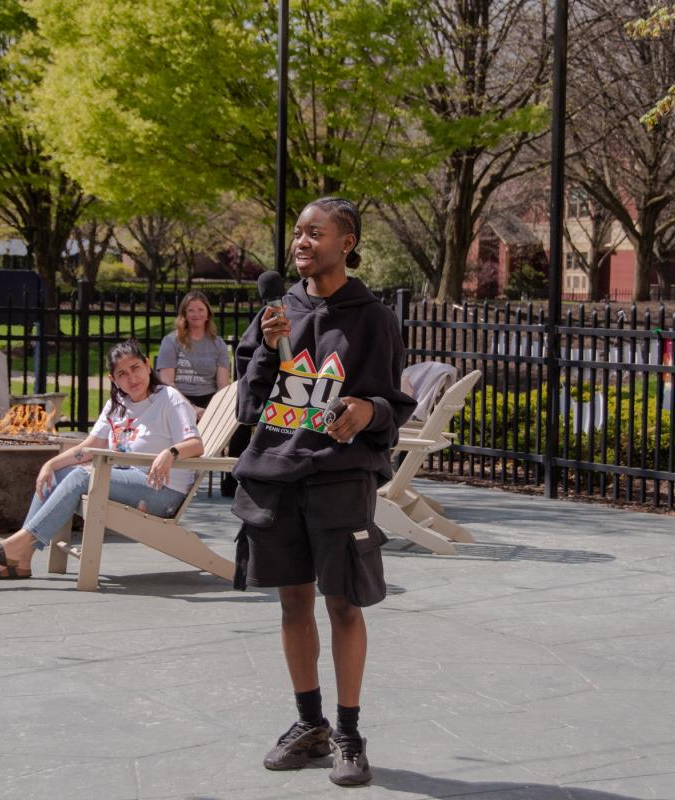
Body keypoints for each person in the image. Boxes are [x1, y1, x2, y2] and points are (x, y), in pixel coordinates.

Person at [230, 197, 415, 786]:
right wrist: (264, 345)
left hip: (340, 479)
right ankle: (307, 723)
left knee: (343, 605)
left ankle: (348, 733)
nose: (301, 243)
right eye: (297, 233)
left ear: (348, 242)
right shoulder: (275, 313)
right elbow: (252, 403)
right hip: (277, 475)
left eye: (315, 233)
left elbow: (391, 403)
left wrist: (365, 409)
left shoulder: (373, 318)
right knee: (292, 603)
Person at [0, 340, 202, 579]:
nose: (132, 378)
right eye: (122, 373)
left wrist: (170, 453)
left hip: (162, 491)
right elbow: (90, 448)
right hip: (127, 482)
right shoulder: (117, 405)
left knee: (81, 475)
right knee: (57, 474)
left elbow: (196, 444)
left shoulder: (169, 399)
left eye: (136, 368)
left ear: (148, 365)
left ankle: (16, 545)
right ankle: (22, 559)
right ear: (113, 379)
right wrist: (50, 465)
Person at [156, 290, 230, 417]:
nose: (196, 314)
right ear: (184, 314)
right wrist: (192, 409)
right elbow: (167, 384)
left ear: (208, 314)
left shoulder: (219, 344)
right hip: (176, 401)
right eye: (191, 310)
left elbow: (222, 386)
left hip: (209, 402)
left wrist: (213, 411)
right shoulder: (170, 342)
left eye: (201, 309)